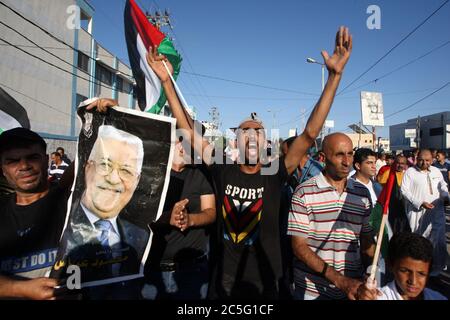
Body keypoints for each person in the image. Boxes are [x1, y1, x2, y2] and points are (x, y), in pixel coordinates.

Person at [144, 26, 353, 299]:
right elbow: (186, 129)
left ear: (267, 143)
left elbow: (310, 132)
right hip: (223, 288)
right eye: (246, 132)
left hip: (268, 287)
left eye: (259, 132)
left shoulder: (275, 171)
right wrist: (166, 81)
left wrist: (334, 77)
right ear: (235, 143)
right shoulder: (222, 168)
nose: (252, 136)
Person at [0, 97, 110, 300]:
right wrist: (21, 289)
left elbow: (91, 159)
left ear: (46, 159)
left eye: (32, 157)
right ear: (3, 169)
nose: (24, 166)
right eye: (13, 161)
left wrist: (110, 121)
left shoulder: (74, 204)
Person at [55, 125, 149, 284]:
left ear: (137, 181)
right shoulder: (59, 221)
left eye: (126, 171)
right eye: (105, 165)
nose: (113, 179)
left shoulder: (141, 236)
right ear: (87, 167)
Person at [288, 133, 375, 300]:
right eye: (339, 154)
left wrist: (372, 270)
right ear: (322, 157)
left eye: (350, 154)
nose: (347, 162)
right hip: (312, 291)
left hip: (353, 290)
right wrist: (340, 280)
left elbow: (366, 239)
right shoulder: (304, 193)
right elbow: (299, 247)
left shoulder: (362, 194)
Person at [142, 139, 216, 300]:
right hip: (151, 271)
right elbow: (138, 213)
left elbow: (210, 212)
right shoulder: (150, 172)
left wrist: (190, 220)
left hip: (192, 272)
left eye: (189, 141)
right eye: (179, 141)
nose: (185, 146)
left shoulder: (201, 173)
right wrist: (168, 218)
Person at [401, 149, 449, 276]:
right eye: (421, 160)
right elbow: (404, 191)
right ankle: (421, 268)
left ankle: (437, 268)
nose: (424, 163)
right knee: (420, 240)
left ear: (432, 160)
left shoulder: (436, 171)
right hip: (418, 212)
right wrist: (420, 202)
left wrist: (445, 196)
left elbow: (443, 186)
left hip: (437, 210)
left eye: (427, 160)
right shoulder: (410, 172)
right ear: (417, 159)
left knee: (438, 238)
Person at [356, 232, 447, 300]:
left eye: (421, 274)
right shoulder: (379, 297)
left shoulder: (438, 298)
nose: (413, 281)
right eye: (405, 271)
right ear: (391, 265)